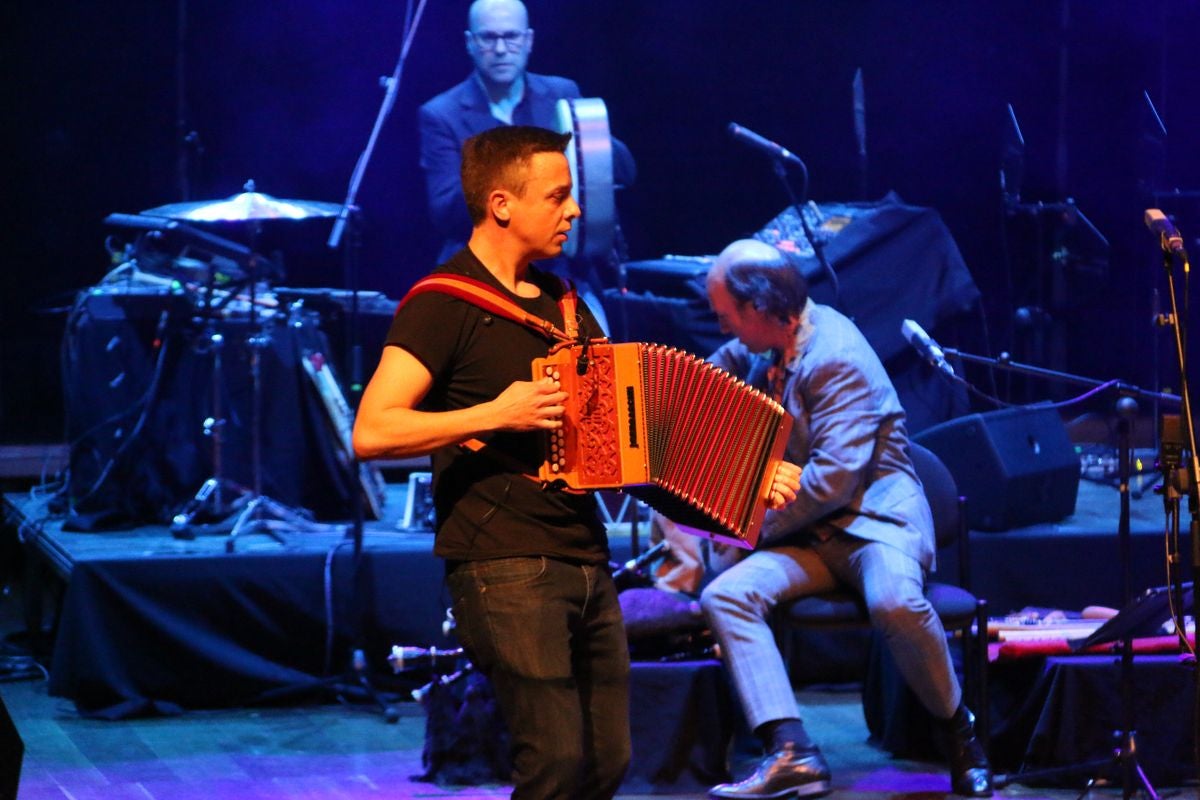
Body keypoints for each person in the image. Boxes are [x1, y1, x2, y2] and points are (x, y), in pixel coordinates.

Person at [353, 125, 629, 799]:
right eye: (559, 196)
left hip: (585, 558)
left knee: (607, 762)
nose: (575, 211)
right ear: (503, 204)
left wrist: (739, 479)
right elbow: (371, 431)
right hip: (502, 564)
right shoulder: (443, 303)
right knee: (556, 763)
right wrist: (493, 414)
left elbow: (622, 437)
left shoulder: (567, 307)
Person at [696, 239, 993, 799]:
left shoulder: (835, 355)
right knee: (726, 595)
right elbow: (728, 365)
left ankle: (961, 736)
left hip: (873, 522)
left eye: (726, 315)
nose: (722, 327)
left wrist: (747, 530)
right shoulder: (771, 340)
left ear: (760, 308)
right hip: (814, 534)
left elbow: (833, 481)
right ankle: (793, 752)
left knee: (894, 602)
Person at [418, 0, 635, 331]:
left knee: (596, 359)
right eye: (489, 38)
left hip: (561, 273)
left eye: (511, 37)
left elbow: (621, 170)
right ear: (470, 43)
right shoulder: (442, 113)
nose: (501, 49)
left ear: (529, 40)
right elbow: (446, 212)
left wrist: (593, 141)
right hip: (484, 277)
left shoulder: (561, 93)